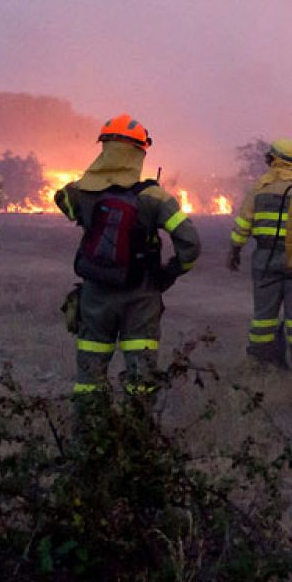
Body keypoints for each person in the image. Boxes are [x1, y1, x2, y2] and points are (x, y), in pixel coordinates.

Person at [54, 114, 201, 399]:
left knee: (90, 376)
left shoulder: (80, 192)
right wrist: (171, 272)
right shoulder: (154, 197)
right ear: (139, 152)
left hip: (95, 294)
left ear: (104, 147)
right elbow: (191, 243)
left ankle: (89, 423)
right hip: (141, 295)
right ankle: (137, 424)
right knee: (141, 376)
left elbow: (62, 201)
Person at [228, 139, 292, 370]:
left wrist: (235, 249)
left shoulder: (260, 188)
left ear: (275, 161)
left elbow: (244, 223)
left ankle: (259, 364)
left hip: (265, 258)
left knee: (264, 318)